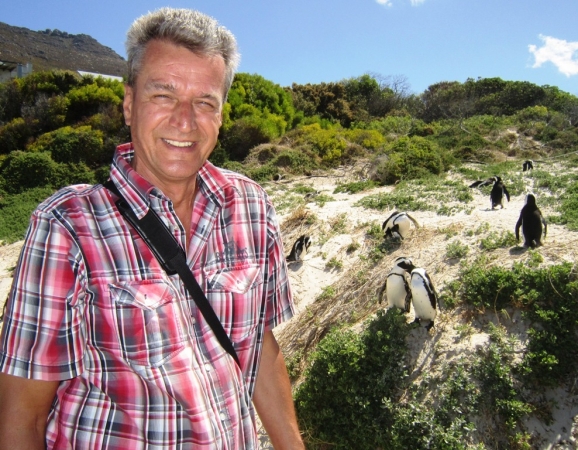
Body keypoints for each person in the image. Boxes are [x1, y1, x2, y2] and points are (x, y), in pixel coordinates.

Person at [0, 8, 304, 449]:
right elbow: (19, 415)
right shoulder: (67, 226)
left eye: (205, 101)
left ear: (221, 115)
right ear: (129, 103)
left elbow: (258, 350)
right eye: (163, 95)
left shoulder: (251, 207)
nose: (186, 119)